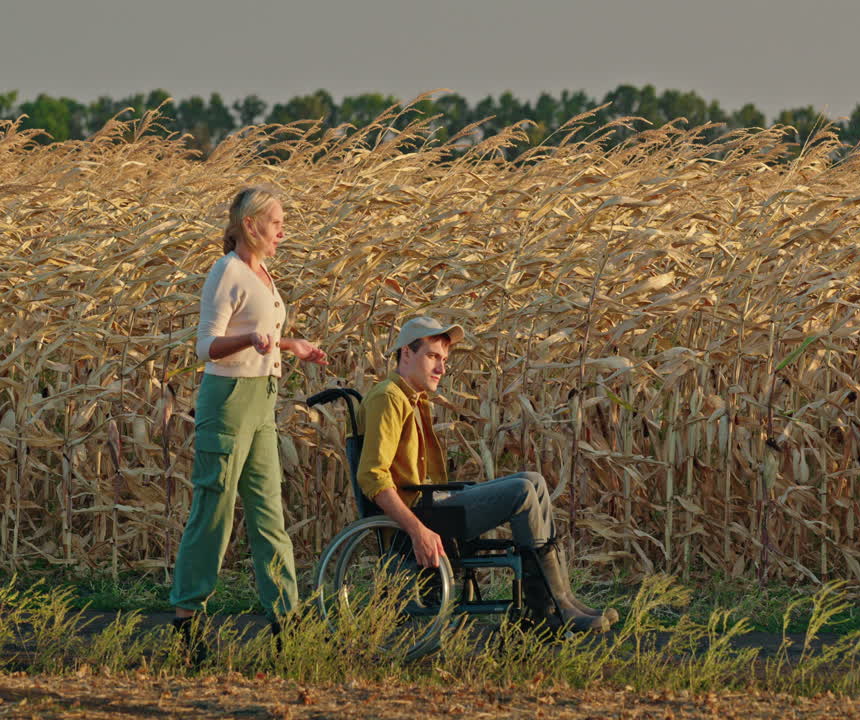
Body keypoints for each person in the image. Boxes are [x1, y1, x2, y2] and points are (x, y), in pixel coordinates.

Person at [356, 316, 616, 633]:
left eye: (444, 360)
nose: (441, 368)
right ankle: (546, 610)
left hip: (432, 502)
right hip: (419, 515)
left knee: (533, 479)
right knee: (521, 491)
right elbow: (372, 477)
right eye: (432, 357)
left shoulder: (412, 398)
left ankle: (564, 601)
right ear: (406, 354)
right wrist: (417, 531)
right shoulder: (389, 397)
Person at [170, 186, 329, 647]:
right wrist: (251, 342)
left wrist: (289, 345)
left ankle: (288, 623)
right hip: (228, 400)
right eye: (276, 221)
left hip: (263, 400)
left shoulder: (263, 274)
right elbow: (206, 346)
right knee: (213, 512)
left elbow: (258, 334)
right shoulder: (227, 271)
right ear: (250, 225)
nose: (283, 230)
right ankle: (188, 622)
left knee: (268, 513)